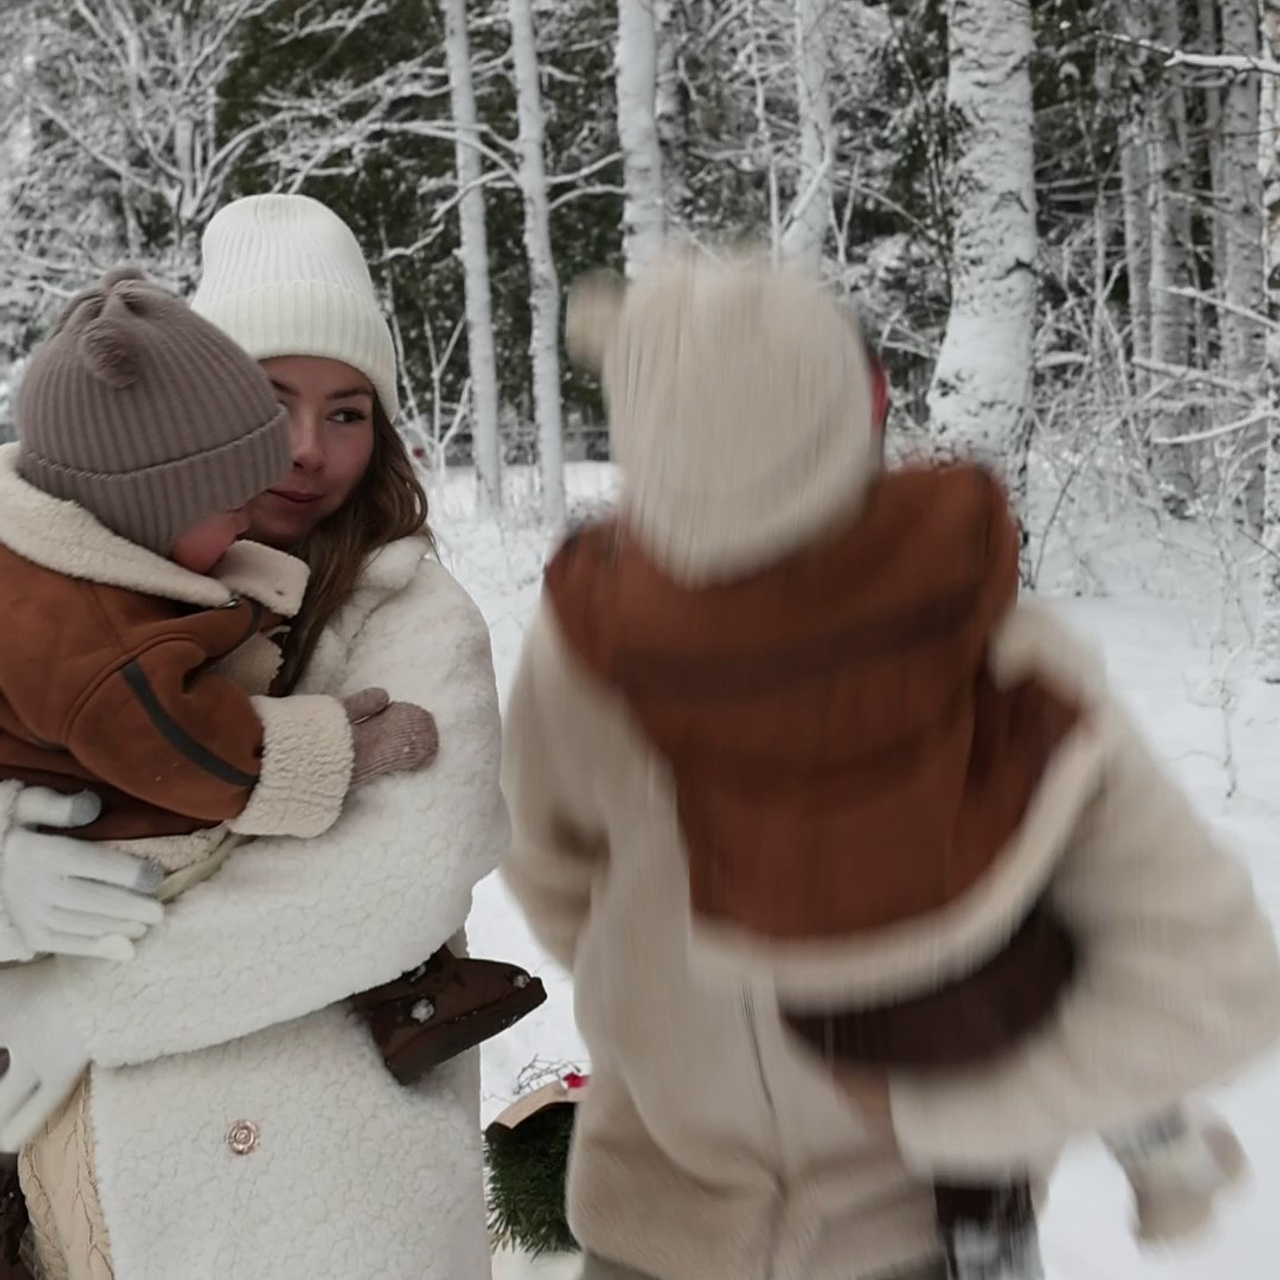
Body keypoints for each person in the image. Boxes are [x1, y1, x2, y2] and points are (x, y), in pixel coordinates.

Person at [499, 249, 1280, 1280]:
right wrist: (658, 1012)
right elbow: (554, 872)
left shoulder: (997, 661)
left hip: (919, 1243)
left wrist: (949, 1106)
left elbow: (1209, 985)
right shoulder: (588, 652)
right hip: (650, 1229)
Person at [0, 194, 516, 1280]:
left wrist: (75, 999)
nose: (304, 449)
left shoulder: (416, 617)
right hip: (70, 1162)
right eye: (271, 398)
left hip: (314, 1185)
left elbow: (389, 882)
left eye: (346, 411)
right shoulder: (65, 588)